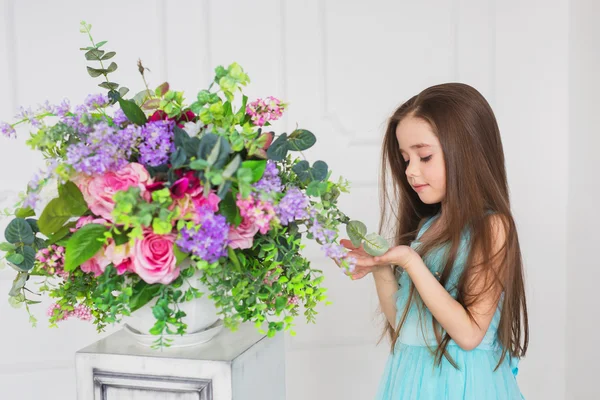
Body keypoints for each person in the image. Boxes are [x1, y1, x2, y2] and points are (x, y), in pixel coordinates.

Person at [338, 83, 528, 399]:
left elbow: (468, 334)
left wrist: (410, 262)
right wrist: (381, 267)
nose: (411, 171)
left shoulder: (492, 227)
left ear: (467, 152)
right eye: (405, 159)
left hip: (462, 386)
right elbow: (407, 328)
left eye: (424, 156)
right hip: (412, 379)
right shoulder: (427, 227)